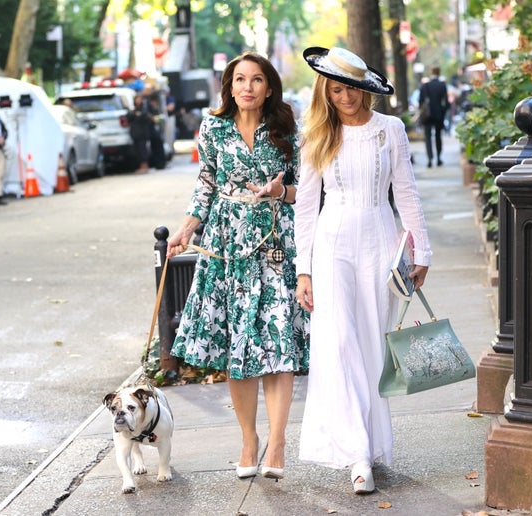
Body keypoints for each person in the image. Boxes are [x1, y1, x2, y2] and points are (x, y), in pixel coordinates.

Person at [294, 46, 432, 494]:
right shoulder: (317, 134)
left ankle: (370, 446)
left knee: (372, 343)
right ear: (325, 92)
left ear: (365, 89)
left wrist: (421, 251)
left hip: (379, 241)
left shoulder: (390, 130)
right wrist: (303, 270)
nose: (345, 97)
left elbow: (406, 192)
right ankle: (356, 454)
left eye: (352, 88)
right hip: (331, 245)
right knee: (338, 343)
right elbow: (305, 207)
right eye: (336, 89)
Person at [166, 52, 309, 481]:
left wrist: (280, 192)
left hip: (277, 243)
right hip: (227, 243)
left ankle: (278, 442)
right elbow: (207, 182)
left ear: (269, 87)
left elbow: (307, 189)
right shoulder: (212, 128)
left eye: (256, 79)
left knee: (279, 341)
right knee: (238, 345)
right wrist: (186, 228)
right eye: (240, 79)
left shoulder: (288, 129)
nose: (247, 87)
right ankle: (249, 439)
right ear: (229, 86)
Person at [419, 66, 448, 168]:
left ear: (431, 73)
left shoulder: (425, 85)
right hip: (438, 115)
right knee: (438, 136)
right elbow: (446, 102)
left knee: (427, 137)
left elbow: (420, 101)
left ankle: (430, 158)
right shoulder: (442, 85)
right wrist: (443, 113)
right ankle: (439, 158)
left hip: (427, 115)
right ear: (439, 73)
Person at [127, 93, 151, 174]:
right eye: (137, 99)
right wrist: (135, 114)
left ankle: (145, 166)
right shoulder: (133, 109)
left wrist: (138, 115)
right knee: (137, 151)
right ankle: (141, 166)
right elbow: (129, 117)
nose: (138, 101)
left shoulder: (144, 108)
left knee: (143, 150)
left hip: (142, 133)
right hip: (135, 133)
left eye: (140, 99)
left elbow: (144, 116)